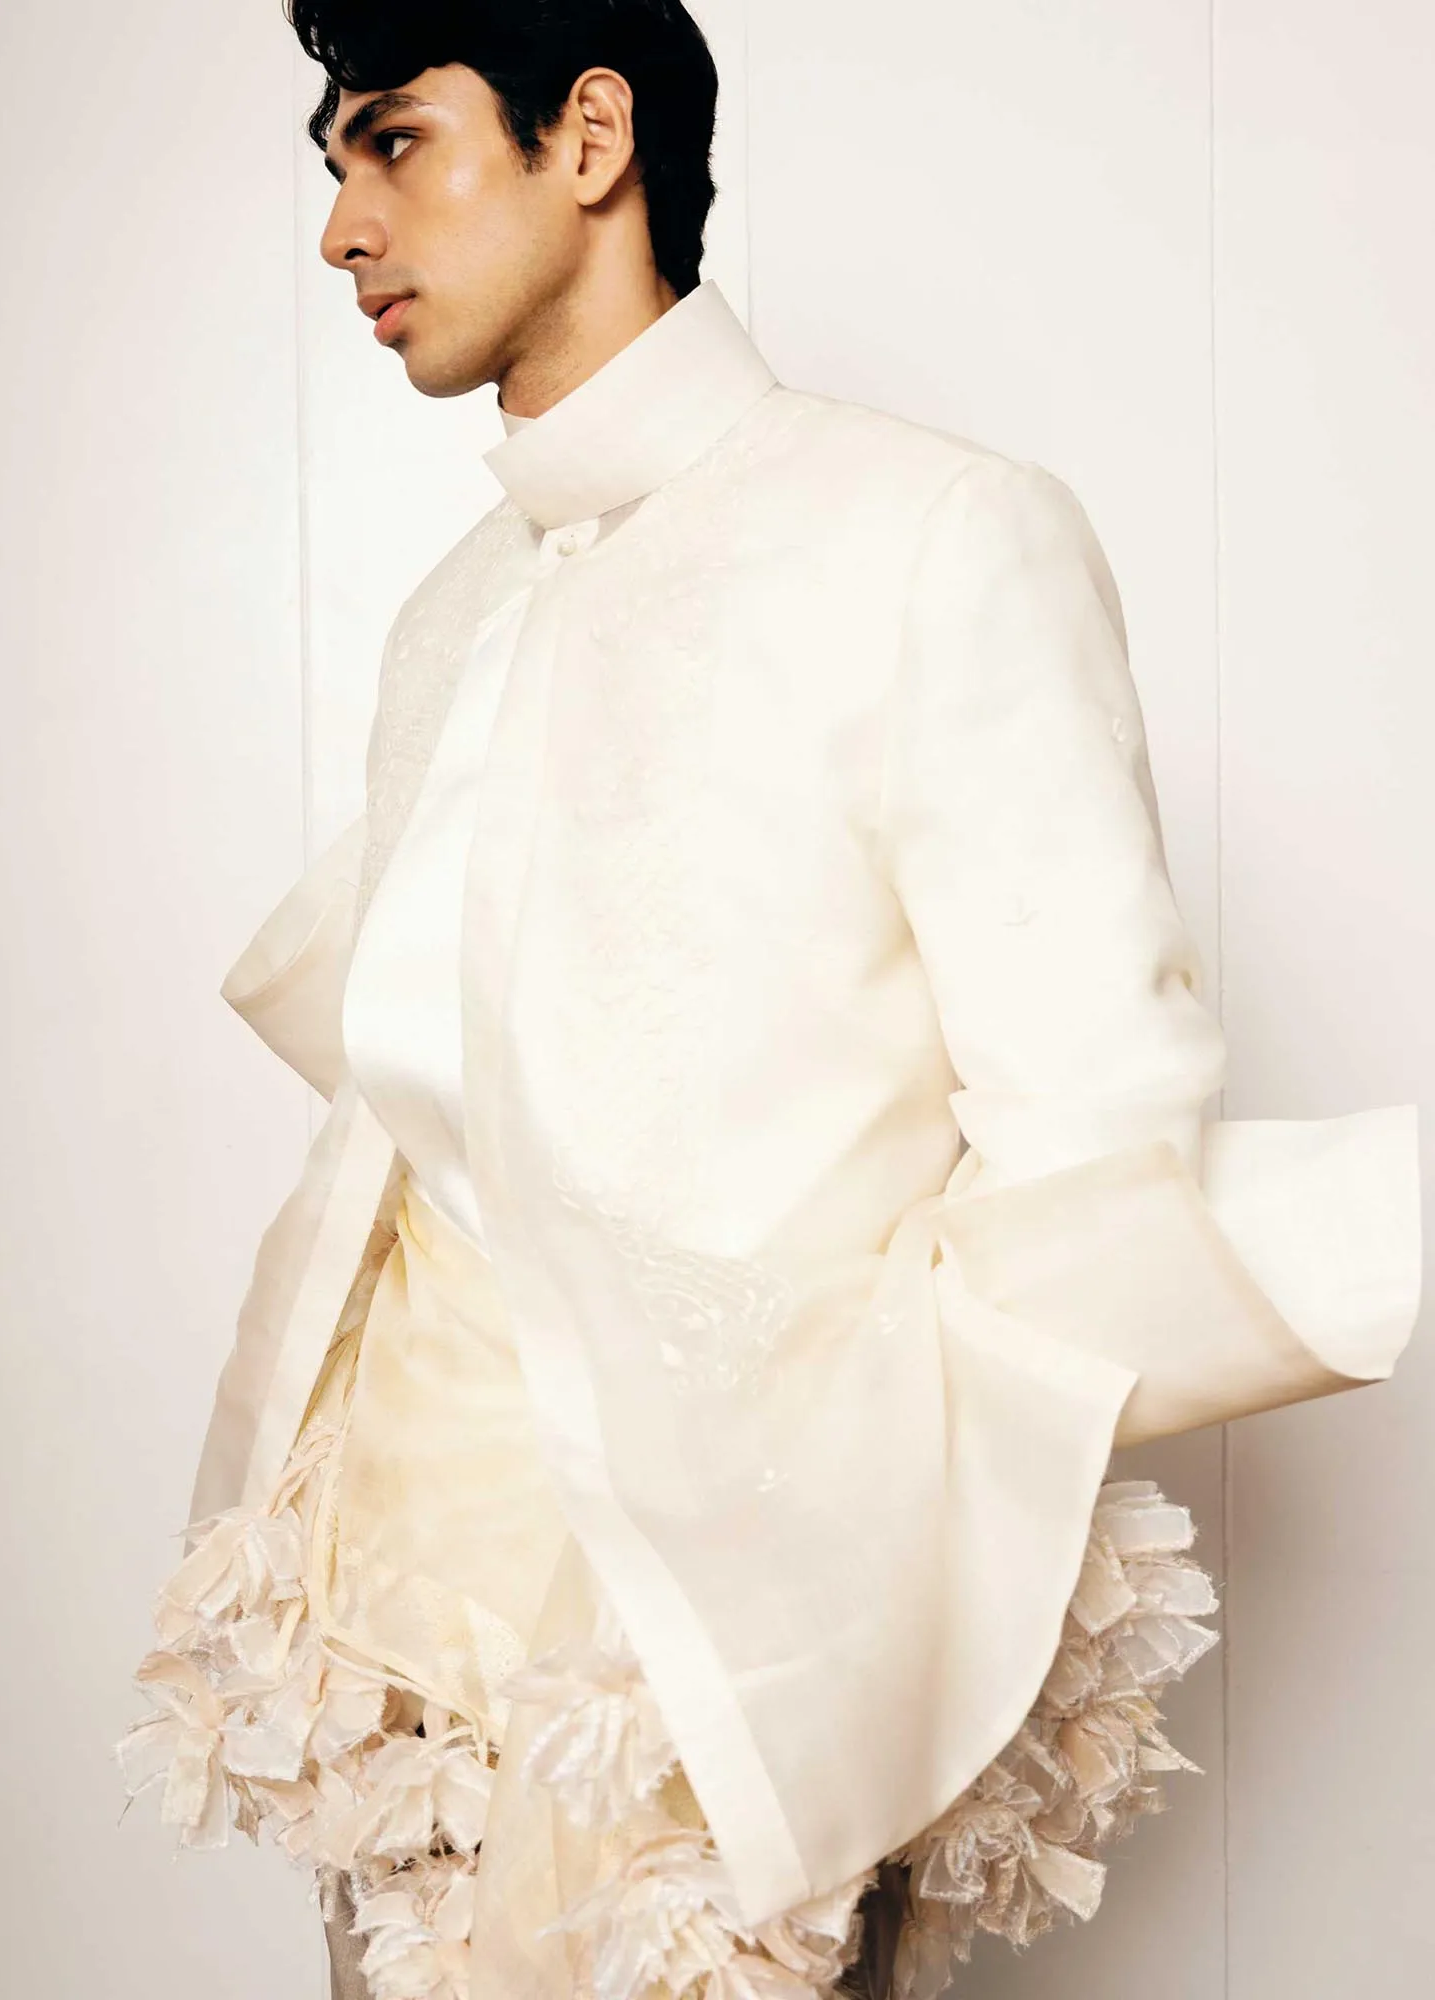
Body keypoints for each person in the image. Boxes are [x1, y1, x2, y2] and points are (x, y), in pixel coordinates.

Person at [116, 6, 1423, 1998]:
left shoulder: (930, 534)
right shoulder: (460, 603)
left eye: (393, 142)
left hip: (717, 1648)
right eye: (333, 169)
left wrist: (840, 1554)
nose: (343, 228)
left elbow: (1094, 1137)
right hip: (390, 1624)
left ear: (589, 139)